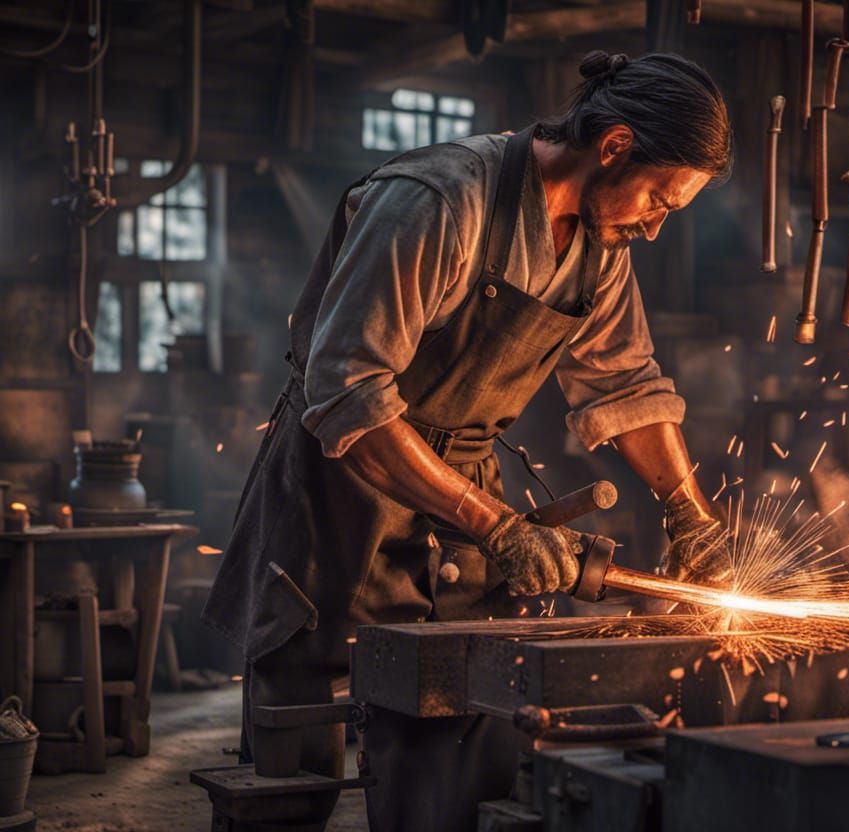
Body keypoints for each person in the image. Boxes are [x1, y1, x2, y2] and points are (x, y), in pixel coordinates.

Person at [203, 50, 734, 831]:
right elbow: (349, 391)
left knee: (460, 727)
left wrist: (690, 512)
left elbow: (625, 384)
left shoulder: (600, 247)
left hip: (462, 497)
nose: (654, 226)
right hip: (335, 490)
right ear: (614, 145)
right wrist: (496, 525)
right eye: (658, 198)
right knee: (296, 767)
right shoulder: (440, 200)